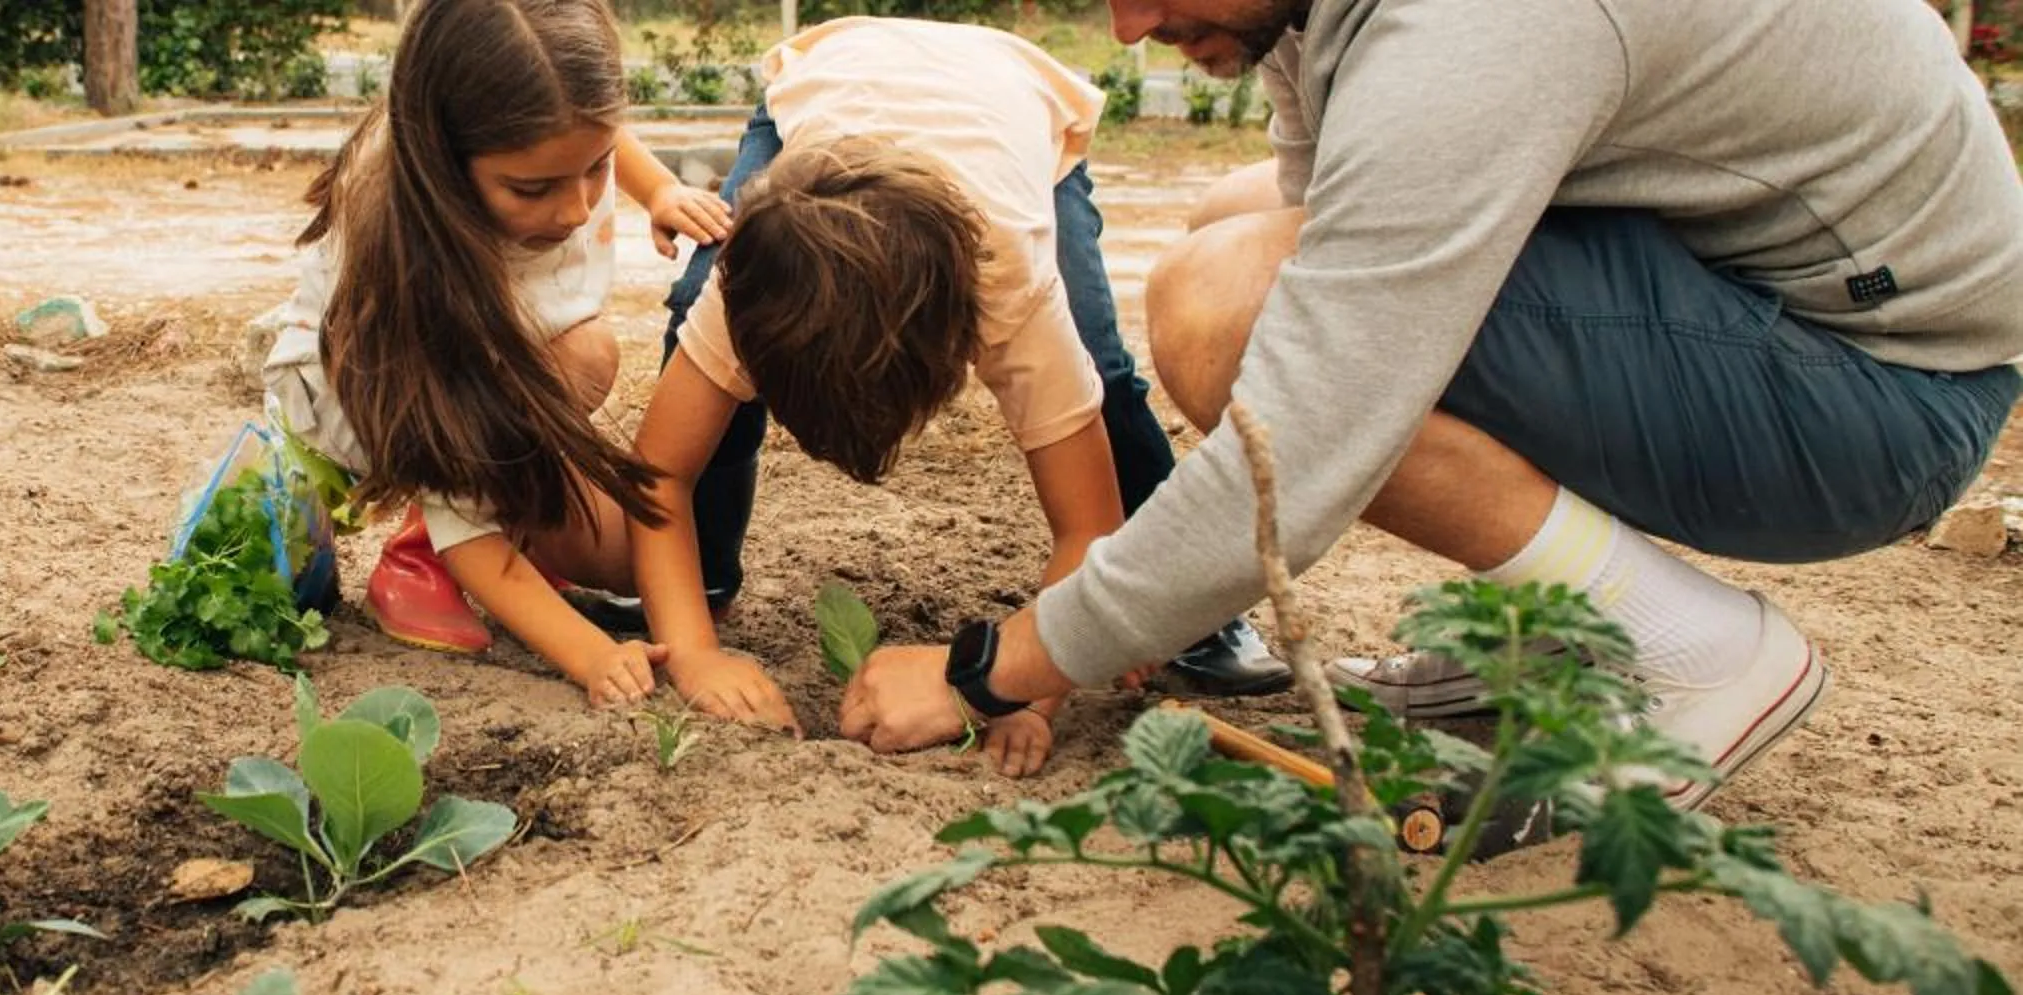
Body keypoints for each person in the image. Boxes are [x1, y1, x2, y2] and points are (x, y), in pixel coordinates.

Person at [843, 0, 2023, 809]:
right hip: (1772, 303)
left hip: (1877, 393)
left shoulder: (1470, 32)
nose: (1129, 24)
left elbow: (1310, 430)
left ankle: (1710, 654)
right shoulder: (1322, 20)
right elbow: (1326, 248)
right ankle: (1569, 644)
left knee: (1222, 308)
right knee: (1229, 228)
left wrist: (994, 668)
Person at [615, 17, 1287, 776]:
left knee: (1099, 373)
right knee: (690, 306)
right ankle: (702, 578)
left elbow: (1083, 523)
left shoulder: (1011, 291)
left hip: (1018, 103)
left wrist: (1024, 693)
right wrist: (695, 653)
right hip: (826, 84)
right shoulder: (748, 286)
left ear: (961, 353)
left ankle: (1190, 610)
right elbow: (660, 470)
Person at [261, 0, 732, 705]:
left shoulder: (550, 134)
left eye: (594, 169)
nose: (576, 210)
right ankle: (417, 556)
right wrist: (592, 655)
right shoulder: (419, 283)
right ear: (444, 164)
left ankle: (498, 496)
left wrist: (657, 188)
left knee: (624, 548)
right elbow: (468, 518)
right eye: (533, 187)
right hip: (366, 387)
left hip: (504, 356)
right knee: (487, 473)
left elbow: (597, 127)